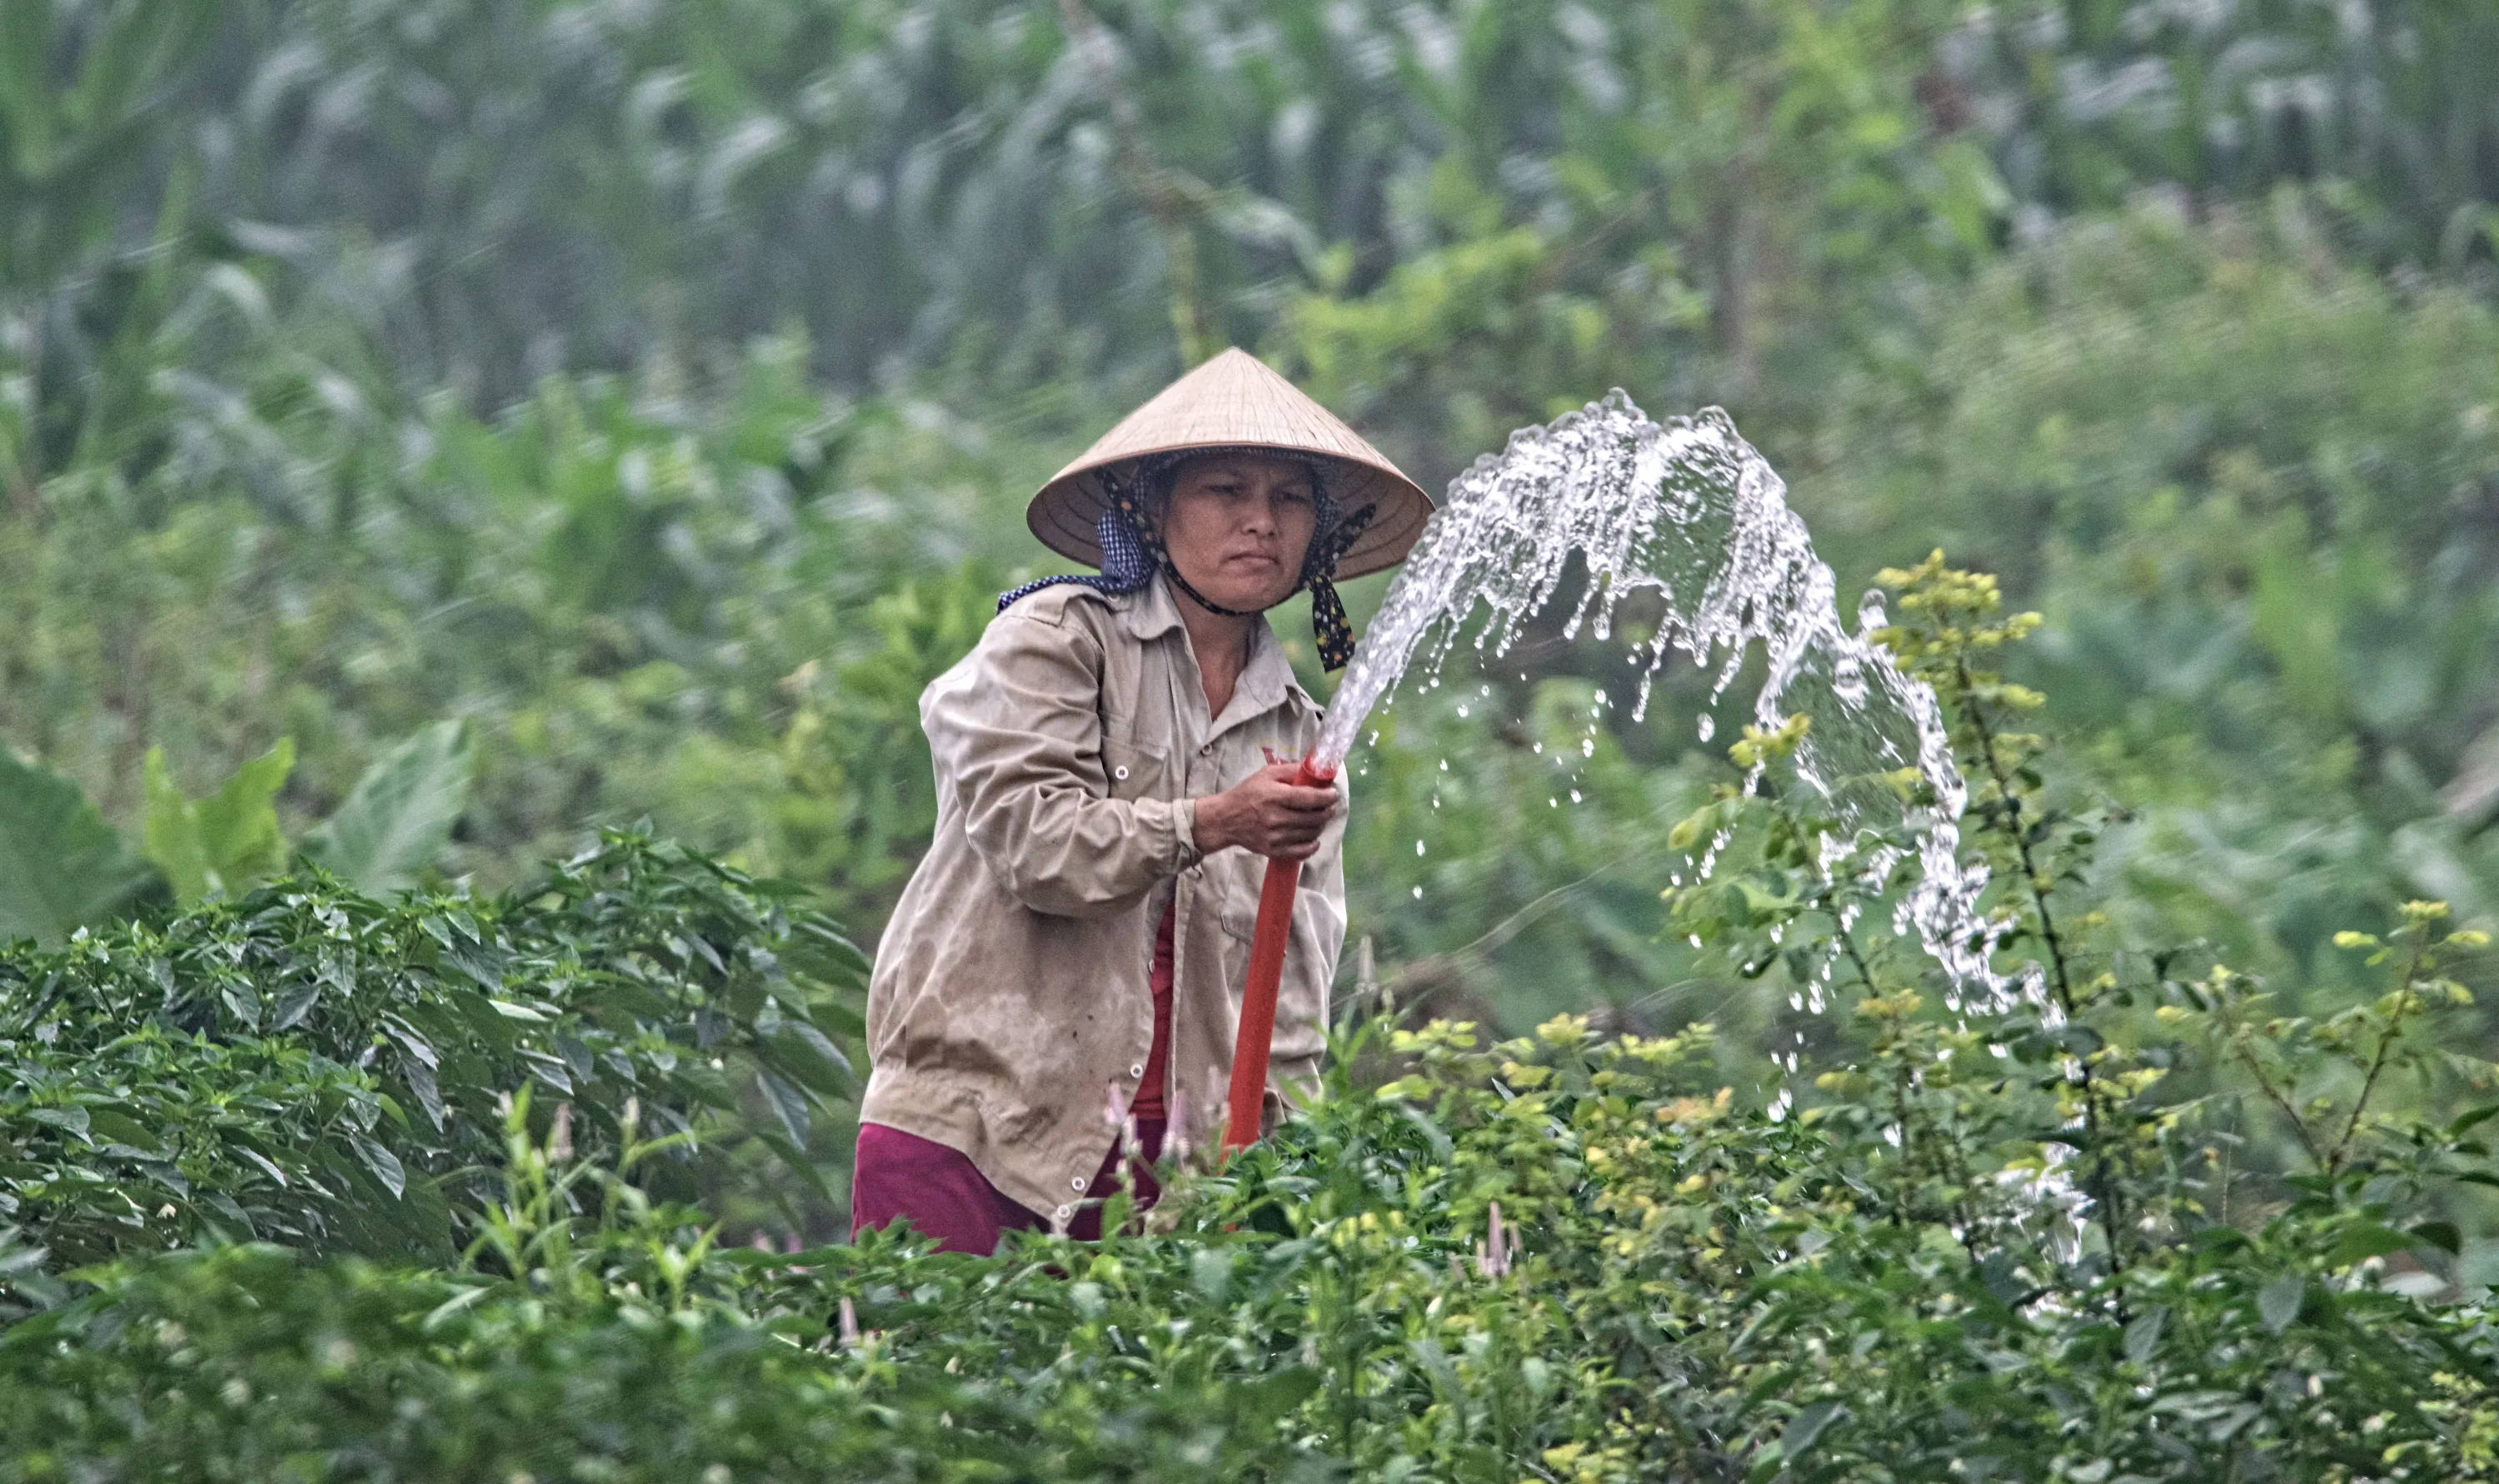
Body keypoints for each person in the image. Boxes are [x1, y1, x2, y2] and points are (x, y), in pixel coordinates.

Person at [850, 348, 1434, 1253]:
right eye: (1225, 492)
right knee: (927, 1389)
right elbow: (1037, 848)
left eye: (1288, 500)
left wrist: (1275, 1174)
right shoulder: (1052, 641)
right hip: (975, 1137)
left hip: (1168, 1184)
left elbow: (1292, 997)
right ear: (1150, 511)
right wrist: (1216, 821)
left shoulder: (1301, 735)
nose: (1260, 523)